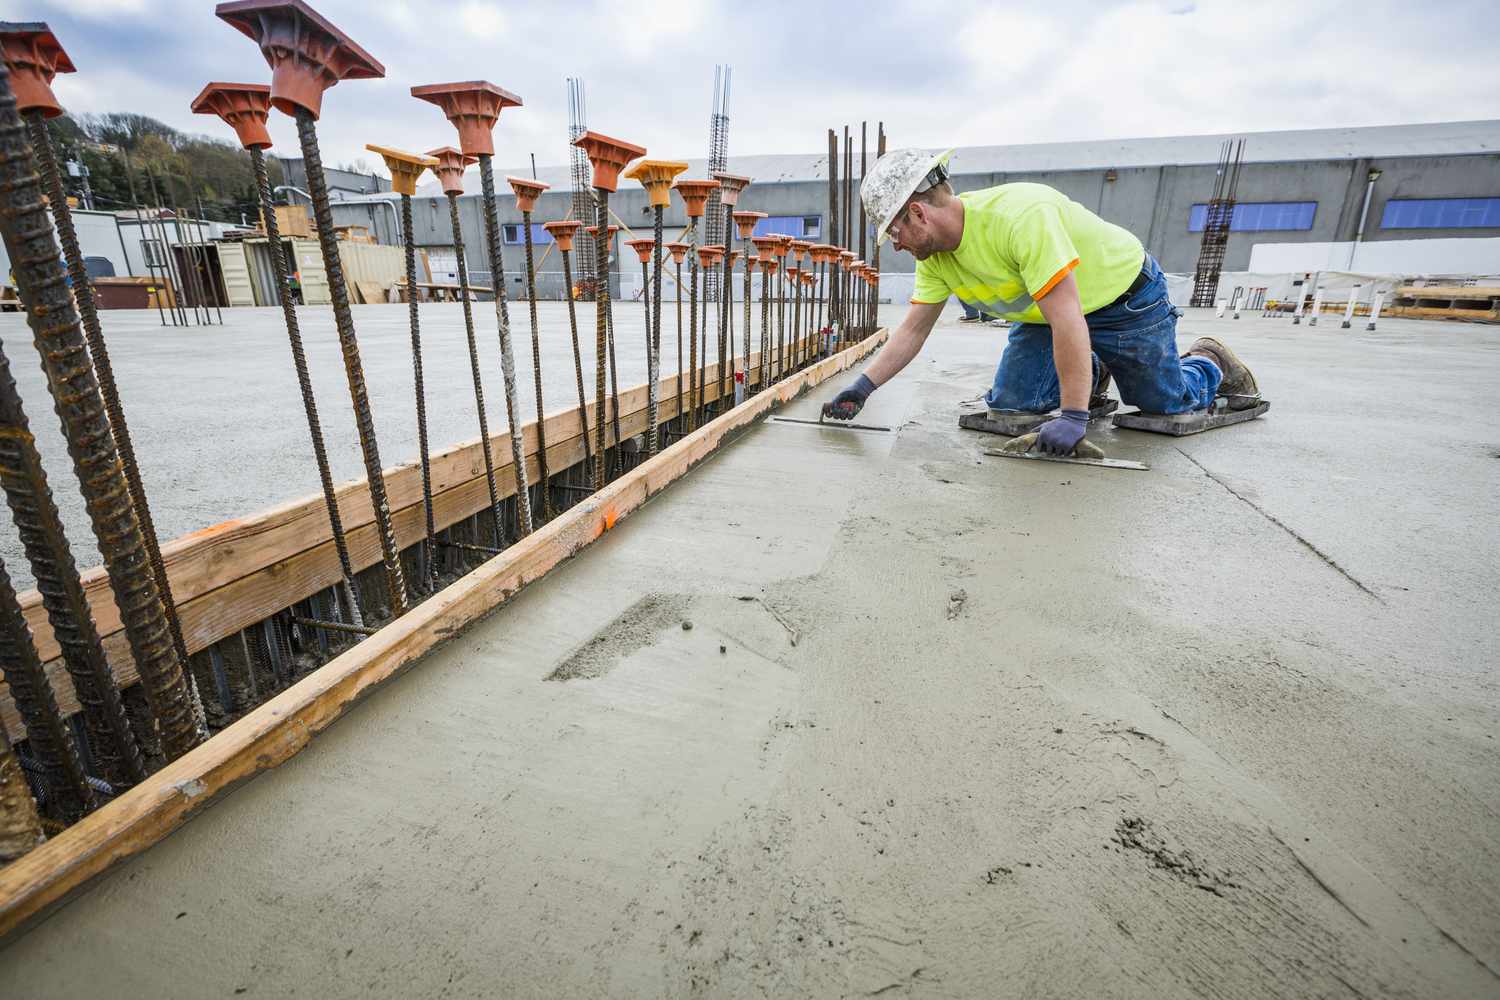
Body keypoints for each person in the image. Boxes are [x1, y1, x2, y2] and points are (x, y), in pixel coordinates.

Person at [822, 149, 1259, 454]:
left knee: (1164, 404)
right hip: (1045, 317)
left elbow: (1068, 316)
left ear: (917, 213)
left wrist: (1072, 415)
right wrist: (861, 389)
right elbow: (913, 331)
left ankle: (1210, 363)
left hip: (1124, 300)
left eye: (894, 232)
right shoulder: (933, 255)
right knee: (1012, 404)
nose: (895, 245)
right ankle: (1091, 370)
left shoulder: (1019, 218)